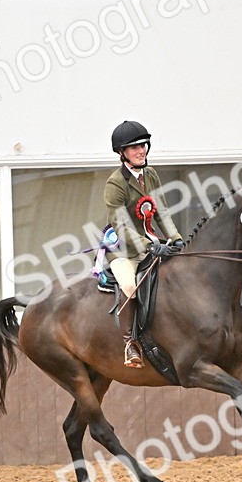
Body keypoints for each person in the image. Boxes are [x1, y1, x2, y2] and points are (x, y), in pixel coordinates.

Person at [104, 120, 185, 368]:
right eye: (134, 148)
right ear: (122, 153)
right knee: (129, 285)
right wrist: (148, 245)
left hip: (152, 243)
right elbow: (121, 225)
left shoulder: (151, 175)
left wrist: (176, 238)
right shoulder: (115, 184)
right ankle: (130, 344)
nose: (141, 151)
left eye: (143, 145)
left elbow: (162, 212)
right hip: (123, 250)